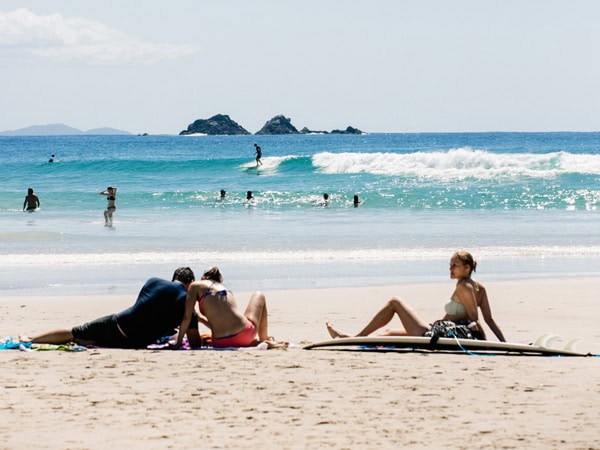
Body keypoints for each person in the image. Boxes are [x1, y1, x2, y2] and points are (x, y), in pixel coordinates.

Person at [326, 251, 506, 342]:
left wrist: (484, 344)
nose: (450, 269)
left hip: (435, 335)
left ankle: (355, 337)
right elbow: (489, 319)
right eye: (450, 265)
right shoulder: (478, 287)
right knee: (387, 334)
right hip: (437, 331)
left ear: (467, 268)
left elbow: (475, 320)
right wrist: (504, 344)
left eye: (455, 265)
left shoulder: (463, 285)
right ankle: (355, 337)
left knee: (395, 302)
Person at [21, 267, 203, 348]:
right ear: (191, 283)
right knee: (91, 338)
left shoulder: (153, 281)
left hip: (119, 325)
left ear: (173, 278)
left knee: (75, 331)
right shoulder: (187, 307)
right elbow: (195, 343)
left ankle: (31, 338)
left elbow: (144, 309)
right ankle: (91, 342)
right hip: (134, 343)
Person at [173, 266, 286, 349]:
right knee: (258, 295)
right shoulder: (225, 290)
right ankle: (264, 339)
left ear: (203, 277)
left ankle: (261, 341)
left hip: (220, 342)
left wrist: (179, 342)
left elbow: (187, 317)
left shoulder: (195, 285)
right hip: (244, 336)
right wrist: (201, 319)